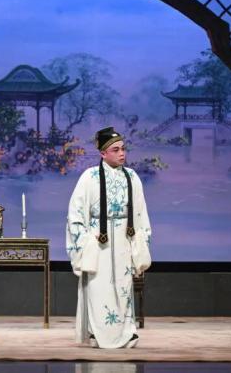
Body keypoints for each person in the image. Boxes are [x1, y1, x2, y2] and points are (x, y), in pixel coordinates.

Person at [66, 127, 151, 349]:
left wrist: (141, 240)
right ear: (103, 153)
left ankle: (127, 332)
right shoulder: (90, 177)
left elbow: (140, 212)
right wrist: (84, 240)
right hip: (98, 240)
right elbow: (75, 213)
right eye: (115, 150)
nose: (122, 153)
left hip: (124, 238)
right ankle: (96, 332)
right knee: (98, 288)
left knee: (123, 287)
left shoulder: (131, 176)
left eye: (123, 148)